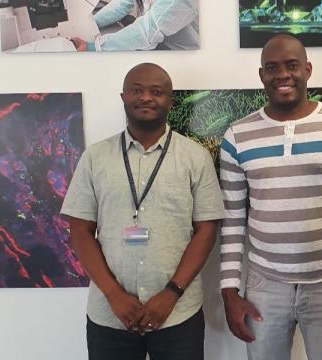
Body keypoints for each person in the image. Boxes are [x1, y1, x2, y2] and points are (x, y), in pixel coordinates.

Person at [219, 34, 322, 360]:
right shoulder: (237, 136)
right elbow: (232, 219)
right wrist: (229, 291)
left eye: (292, 66)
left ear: (308, 69)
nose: (282, 75)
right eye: (272, 68)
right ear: (262, 75)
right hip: (264, 286)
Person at [60, 63, 224, 360]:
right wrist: (113, 294)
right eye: (137, 90)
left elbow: (206, 230)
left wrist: (172, 293)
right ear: (123, 97)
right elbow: (80, 230)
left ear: (170, 101)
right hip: (110, 316)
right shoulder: (95, 158)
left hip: (178, 314)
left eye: (157, 91)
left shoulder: (195, 158)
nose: (146, 97)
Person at [72, 0, 198, 51]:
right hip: (157, 41)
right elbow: (124, 3)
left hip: (179, 53)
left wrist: (94, 47)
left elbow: (148, 31)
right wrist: (92, 23)